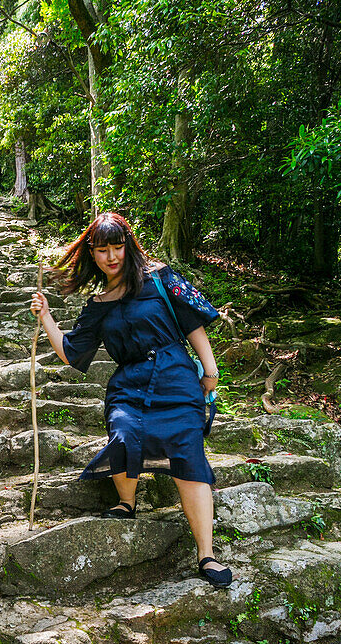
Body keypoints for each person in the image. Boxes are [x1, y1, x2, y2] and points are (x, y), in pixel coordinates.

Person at [30, 211, 232, 589]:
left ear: (128, 245)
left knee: (188, 452)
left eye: (117, 247)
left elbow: (193, 323)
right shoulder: (98, 303)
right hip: (128, 383)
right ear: (92, 253)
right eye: (102, 249)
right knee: (123, 432)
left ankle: (206, 553)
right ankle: (127, 503)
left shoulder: (160, 277)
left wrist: (210, 369)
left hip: (175, 376)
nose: (111, 257)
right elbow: (72, 353)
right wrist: (47, 319)